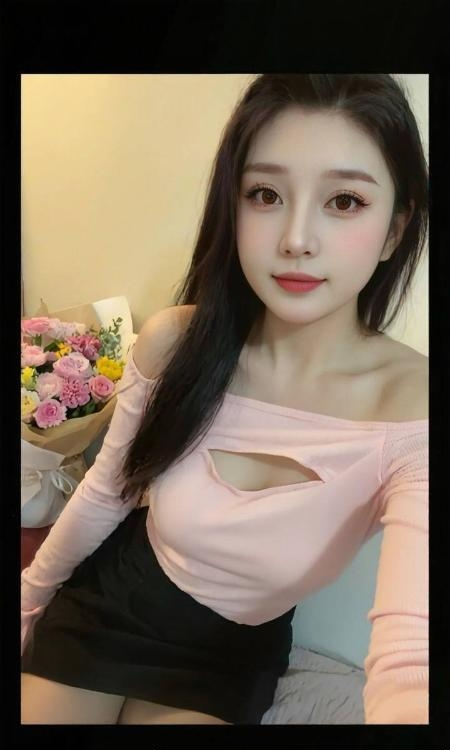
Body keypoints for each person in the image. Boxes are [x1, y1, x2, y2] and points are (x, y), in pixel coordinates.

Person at [21, 73, 429, 725]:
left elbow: (411, 659)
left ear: (394, 230)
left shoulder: (415, 413)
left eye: (345, 201)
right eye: (266, 194)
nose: (296, 238)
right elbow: (106, 492)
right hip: (112, 601)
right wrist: (29, 600)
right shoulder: (178, 343)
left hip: (228, 655)